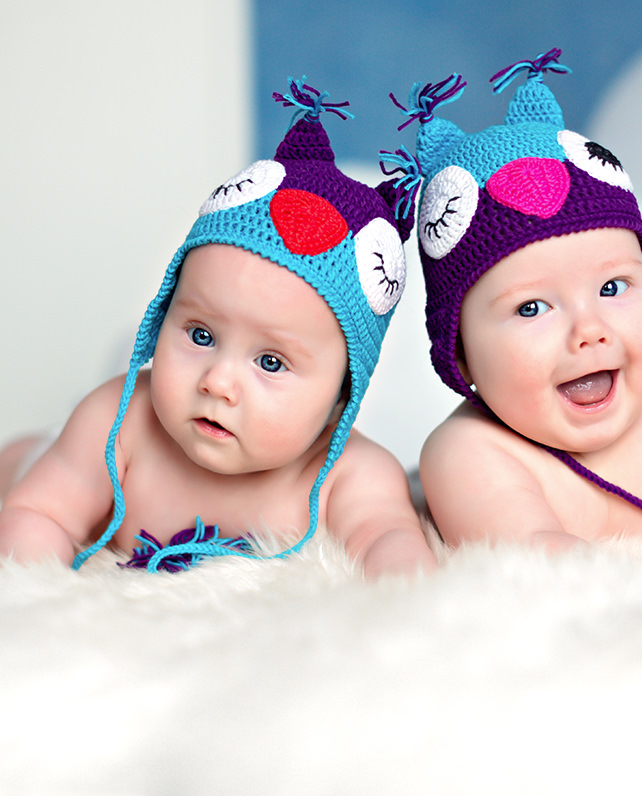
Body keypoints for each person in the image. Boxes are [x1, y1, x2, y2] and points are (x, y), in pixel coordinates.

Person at [0, 78, 437, 579]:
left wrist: (400, 579)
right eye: (200, 335)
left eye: (270, 362)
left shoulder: (349, 474)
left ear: (343, 394)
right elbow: (40, 515)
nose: (218, 382)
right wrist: (39, 586)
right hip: (68, 449)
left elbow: (390, 539)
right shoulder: (117, 424)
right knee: (24, 465)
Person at [390, 49, 642, 573]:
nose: (589, 331)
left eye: (612, 286)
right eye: (532, 307)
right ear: (462, 357)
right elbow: (538, 566)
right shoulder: (468, 452)